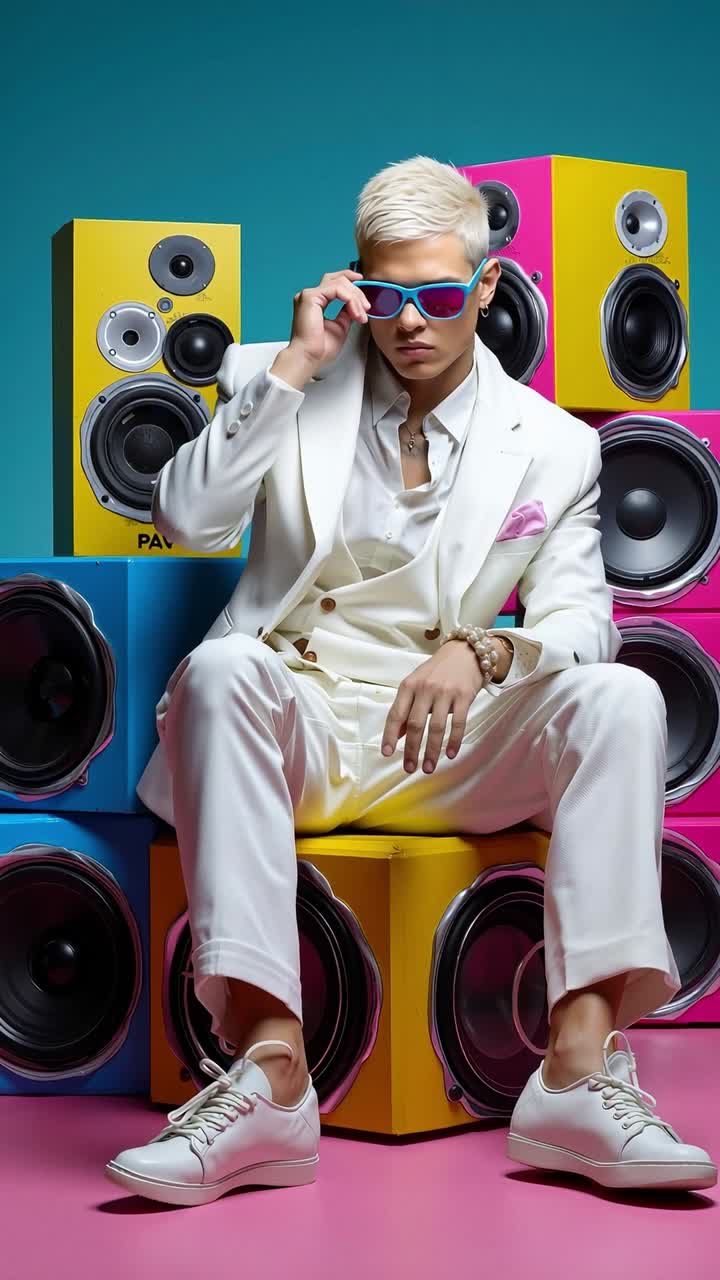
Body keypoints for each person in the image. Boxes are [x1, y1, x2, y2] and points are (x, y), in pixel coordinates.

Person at [106, 155, 717, 1208]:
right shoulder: (280, 374)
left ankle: (575, 1071)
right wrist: (293, 368)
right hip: (299, 726)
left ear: (484, 287)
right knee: (217, 670)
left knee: (622, 695)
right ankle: (269, 1076)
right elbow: (184, 521)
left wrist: (484, 650)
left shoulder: (558, 447)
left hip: (452, 741)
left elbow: (579, 623)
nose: (411, 324)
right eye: (387, 297)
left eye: (440, 297)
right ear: (355, 284)